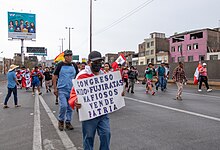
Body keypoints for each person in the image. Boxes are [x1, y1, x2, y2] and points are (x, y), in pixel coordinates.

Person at [69, 51, 124, 150]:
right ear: (89, 62)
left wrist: (119, 93)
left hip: (103, 113)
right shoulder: (82, 76)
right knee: (88, 137)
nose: (98, 64)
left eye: (100, 61)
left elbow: (111, 90)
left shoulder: (104, 75)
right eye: (95, 62)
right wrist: (75, 101)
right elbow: (73, 94)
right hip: (88, 114)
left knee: (106, 134)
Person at [53, 50, 78, 131]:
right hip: (62, 89)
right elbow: (55, 76)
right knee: (63, 106)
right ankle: (61, 121)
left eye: (71, 55)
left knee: (70, 107)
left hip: (72, 90)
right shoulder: (60, 65)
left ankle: (68, 122)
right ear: (65, 57)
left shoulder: (74, 65)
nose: (70, 57)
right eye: (68, 56)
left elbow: (77, 76)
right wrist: (55, 88)